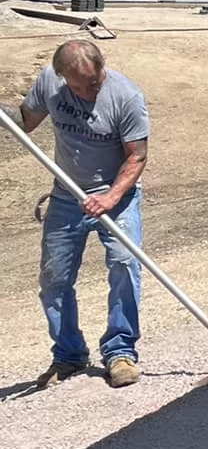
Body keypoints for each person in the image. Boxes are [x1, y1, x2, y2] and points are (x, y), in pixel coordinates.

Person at [20, 38, 150, 388]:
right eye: (82, 86)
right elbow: (25, 122)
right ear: (62, 78)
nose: (91, 90)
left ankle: (120, 351)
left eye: (95, 82)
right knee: (55, 280)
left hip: (116, 197)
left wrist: (111, 196)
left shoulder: (126, 97)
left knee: (124, 265)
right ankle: (69, 356)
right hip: (66, 198)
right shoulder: (49, 82)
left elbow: (136, 157)